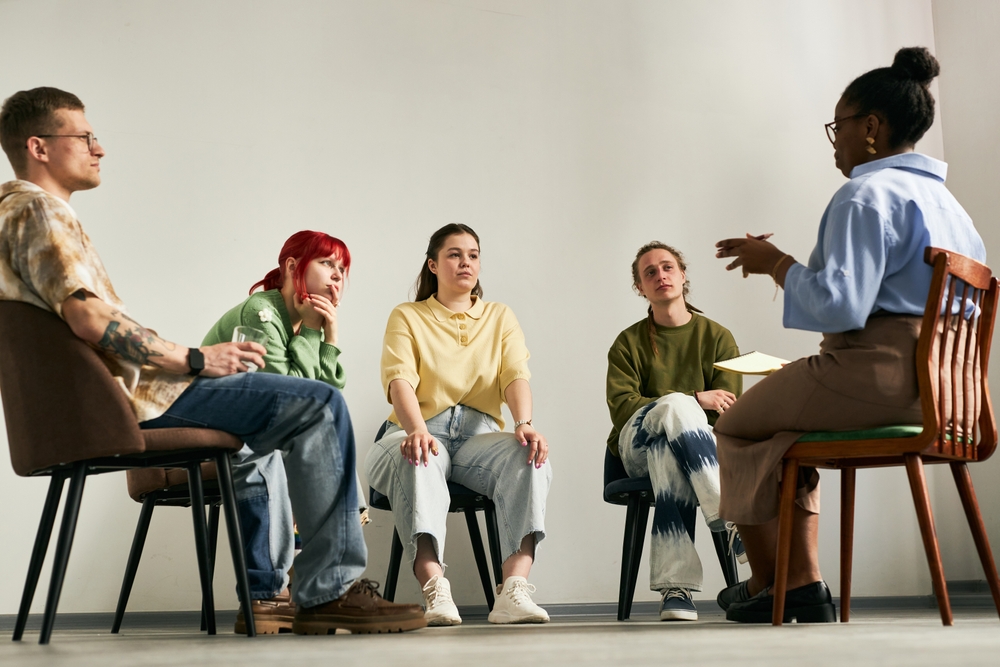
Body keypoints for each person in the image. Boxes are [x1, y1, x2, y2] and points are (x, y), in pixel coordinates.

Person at [0, 87, 425, 635]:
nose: (98, 148)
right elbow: (89, 319)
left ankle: (276, 592)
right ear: (38, 146)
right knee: (319, 405)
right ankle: (328, 591)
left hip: (93, 407)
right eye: (83, 136)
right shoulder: (38, 209)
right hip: (132, 401)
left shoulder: (12, 213)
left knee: (280, 427)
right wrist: (195, 358)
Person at [713, 47, 986, 623]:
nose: (835, 140)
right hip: (946, 389)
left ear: (871, 128)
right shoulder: (953, 208)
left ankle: (770, 584)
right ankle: (802, 585)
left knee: (736, 425)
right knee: (781, 426)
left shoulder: (864, 195)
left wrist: (777, 262)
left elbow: (840, 307)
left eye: (839, 126)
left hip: (877, 374)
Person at [365, 223, 552, 626]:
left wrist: (525, 422)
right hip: (412, 428)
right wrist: (417, 429)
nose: (465, 262)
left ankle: (514, 590)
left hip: (477, 438)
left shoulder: (500, 316)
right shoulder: (408, 315)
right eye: (454, 254)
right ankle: (435, 587)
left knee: (530, 455)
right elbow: (399, 379)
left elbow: (515, 374)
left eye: (473, 255)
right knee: (418, 456)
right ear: (433, 265)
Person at [202, 230, 369, 634]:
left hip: (255, 427)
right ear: (293, 267)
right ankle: (271, 592)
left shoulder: (300, 321)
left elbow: (324, 408)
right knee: (268, 457)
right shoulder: (261, 313)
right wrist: (314, 334)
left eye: (342, 269)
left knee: (326, 449)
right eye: (327, 264)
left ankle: (308, 586)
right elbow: (285, 400)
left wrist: (325, 337)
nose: (336, 277)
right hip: (216, 429)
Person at [606, 242, 744, 622]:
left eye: (668, 267)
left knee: (667, 452)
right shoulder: (627, 342)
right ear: (640, 287)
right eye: (649, 272)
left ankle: (676, 591)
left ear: (683, 275)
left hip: (693, 450)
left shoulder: (717, 337)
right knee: (677, 406)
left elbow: (728, 415)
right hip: (634, 445)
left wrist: (693, 408)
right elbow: (622, 409)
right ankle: (729, 518)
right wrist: (694, 399)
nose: (660, 275)